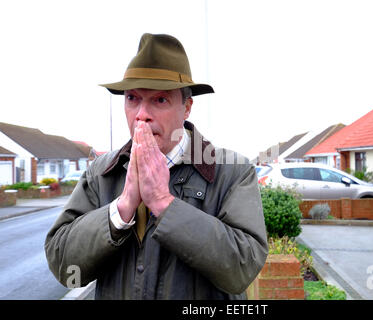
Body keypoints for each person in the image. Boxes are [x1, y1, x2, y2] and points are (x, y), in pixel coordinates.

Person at [45, 33, 268, 300]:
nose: (141, 114)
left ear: (187, 107)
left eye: (160, 100)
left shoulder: (231, 171)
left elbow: (242, 269)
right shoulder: (101, 172)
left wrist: (163, 203)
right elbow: (65, 267)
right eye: (132, 99)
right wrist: (122, 208)